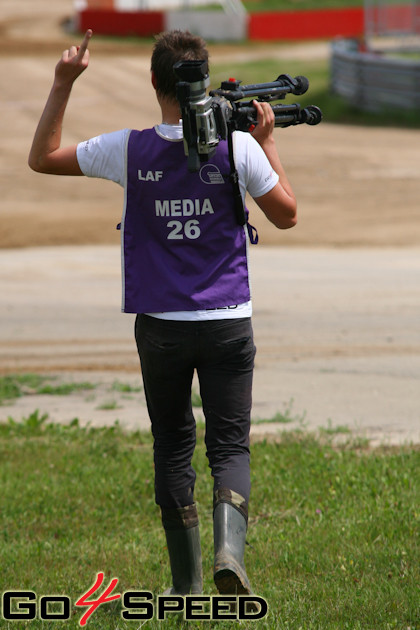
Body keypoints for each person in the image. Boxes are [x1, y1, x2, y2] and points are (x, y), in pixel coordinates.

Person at [29, 29, 297, 598]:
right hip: (228, 320)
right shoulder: (239, 147)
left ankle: (187, 586)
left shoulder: (127, 149)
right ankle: (231, 552)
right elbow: (287, 215)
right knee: (229, 445)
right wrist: (267, 144)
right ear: (204, 80)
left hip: (160, 327)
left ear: (155, 83)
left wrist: (62, 81)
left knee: (173, 443)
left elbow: (42, 158)